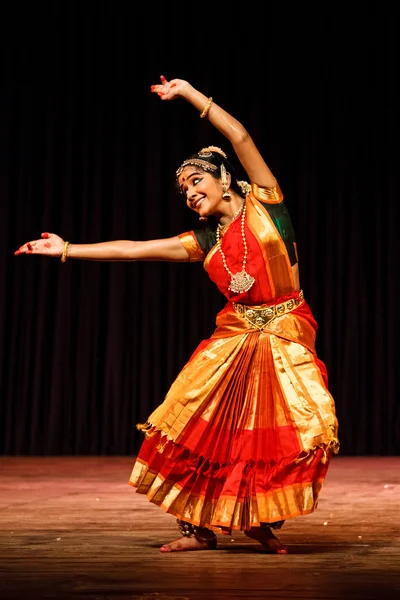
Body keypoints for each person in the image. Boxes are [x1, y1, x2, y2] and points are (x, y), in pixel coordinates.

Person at [15, 75, 340, 554]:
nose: (189, 193)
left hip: (286, 332)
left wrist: (189, 95)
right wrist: (66, 249)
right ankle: (199, 529)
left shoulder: (268, 203)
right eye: (183, 189)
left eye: (196, 181)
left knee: (286, 433)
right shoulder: (204, 242)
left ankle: (259, 521)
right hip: (233, 339)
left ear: (223, 178)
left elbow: (241, 138)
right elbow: (133, 251)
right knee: (200, 428)